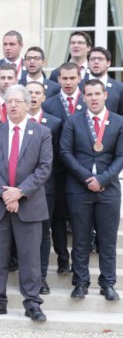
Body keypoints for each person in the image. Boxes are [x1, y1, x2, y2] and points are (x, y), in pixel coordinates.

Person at [0, 84, 52, 322]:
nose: (12, 105)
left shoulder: (41, 133)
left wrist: (19, 192)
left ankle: (32, 303)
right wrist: (6, 194)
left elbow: (44, 168)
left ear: (28, 104)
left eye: (17, 101)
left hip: (29, 205)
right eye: (9, 102)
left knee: (30, 259)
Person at [60, 79, 123, 301]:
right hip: (79, 189)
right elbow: (65, 153)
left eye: (97, 93)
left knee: (107, 240)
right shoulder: (73, 121)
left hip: (109, 190)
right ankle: (81, 283)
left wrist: (103, 179)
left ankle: (107, 283)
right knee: (80, 238)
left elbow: (121, 156)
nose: (94, 98)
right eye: (89, 94)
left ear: (105, 95)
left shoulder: (118, 121)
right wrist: (88, 178)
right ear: (83, 97)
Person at [42, 62, 84, 273]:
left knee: (78, 218)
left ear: (79, 78)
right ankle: (62, 259)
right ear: (57, 79)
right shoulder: (48, 105)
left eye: (72, 78)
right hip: (56, 172)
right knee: (58, 217)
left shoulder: (88, 102)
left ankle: (79, 263)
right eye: (64, 78)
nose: (68, 82)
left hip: (81, 173)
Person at [25, 81, 62, 295]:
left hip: (45, 187)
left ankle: (41, 277)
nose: (33, 96)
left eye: (37, 92)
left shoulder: (54, 123)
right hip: (18, 186)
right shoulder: (12, 122)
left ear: (44, 97)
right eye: (29, 92)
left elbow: (56, 159)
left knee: (42, 233)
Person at [84, 46, 123, 115]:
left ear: (108, 63)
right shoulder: (79, 85)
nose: (96, 62)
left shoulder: (119, 88)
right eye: (92, 59)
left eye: (100, 59)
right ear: (88, 63)